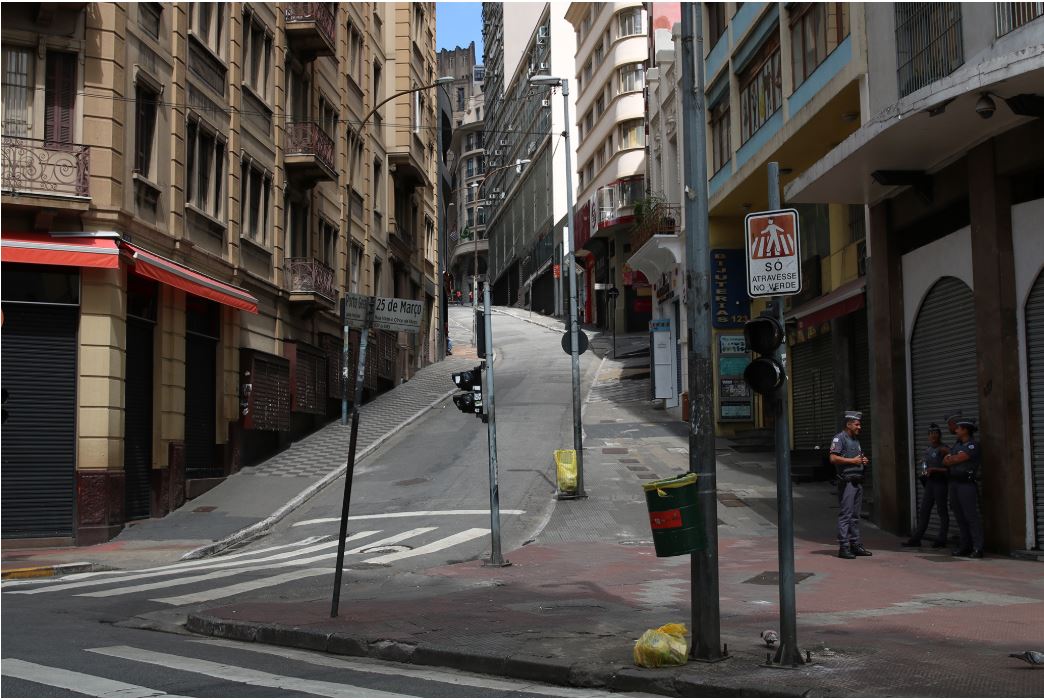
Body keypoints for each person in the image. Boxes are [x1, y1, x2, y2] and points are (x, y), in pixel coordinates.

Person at [830, 411, 872, 559]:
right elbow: (833, 458)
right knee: (846, 515)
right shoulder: (839, 438)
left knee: (855, 515)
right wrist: (853, 462)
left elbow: (856, 457)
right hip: (847, 482)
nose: (859, 427)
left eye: (859, 424)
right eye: (857, 424)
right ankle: (844, 546)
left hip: (857, 480)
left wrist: (862, 460)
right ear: (848, 424)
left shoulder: (855, 440)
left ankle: (855, 544)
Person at [902, 423, 949, 548]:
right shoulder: (928, 450)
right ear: (928, 436)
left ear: (940, 435)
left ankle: (941, 539)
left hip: (940, 483)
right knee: (924, 511)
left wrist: (934, 469)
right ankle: (916, 538)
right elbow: (926, 466)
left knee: (942, 511)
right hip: (930, 484)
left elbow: (950, 469)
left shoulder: (944, 449)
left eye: (936, 433)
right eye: (931, 434)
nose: (934, 436)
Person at [943, 417, 984, 558]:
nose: (956, 430)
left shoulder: (972, 445)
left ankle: (978, 547)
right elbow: (945, 461)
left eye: (959, 428)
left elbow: (957, 459)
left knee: (971, 516)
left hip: (966, 484)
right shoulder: (957, 445)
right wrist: (952, 457)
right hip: (954, 483)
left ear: (965, 430)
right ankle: (965, 546)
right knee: (959, 517)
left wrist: (952, 458)